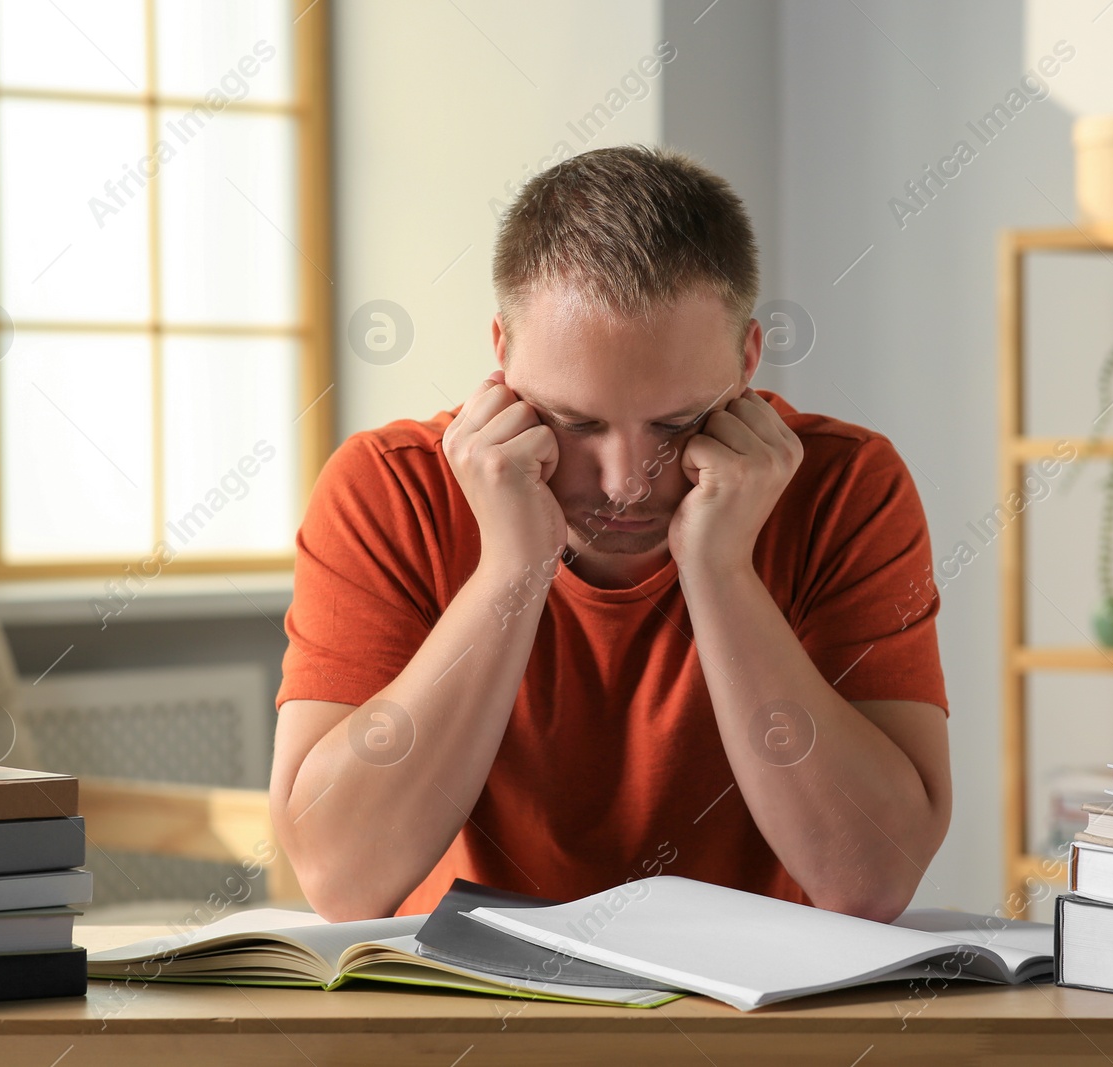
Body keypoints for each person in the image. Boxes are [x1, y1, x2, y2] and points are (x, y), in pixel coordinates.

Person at [271, 144, 950, 922]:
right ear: (502, 354)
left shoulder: (847, 487)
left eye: (677, 422)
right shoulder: (387, 489)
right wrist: (512, 568)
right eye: (575, 422)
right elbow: (340, 879)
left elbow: (871, 878)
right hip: (462, 1026)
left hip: (753, 1030)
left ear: (747, 365)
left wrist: (721, 572)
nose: (626, 480)